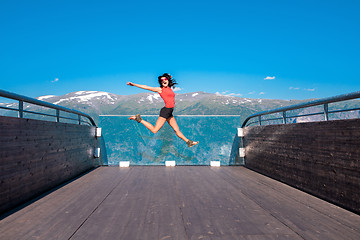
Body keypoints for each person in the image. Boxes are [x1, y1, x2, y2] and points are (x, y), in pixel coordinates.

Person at [127, 73, 199, 148]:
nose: (163, 81)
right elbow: (146, 87)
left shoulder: (169, 87)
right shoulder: (160, 89)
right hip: (165, 111)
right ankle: (138, 119)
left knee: (177, 130)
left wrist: (168, 77)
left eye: (165, 80)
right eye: (162, 80)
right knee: (154, 130)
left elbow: (168, 80)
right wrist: (134, 84)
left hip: (170, 112)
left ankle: (189, 142)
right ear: (160, 82)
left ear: (168, 80)